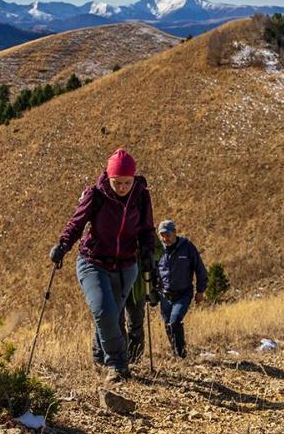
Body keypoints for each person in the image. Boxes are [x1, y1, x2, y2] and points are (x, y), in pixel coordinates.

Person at [50, 148, 156, 382]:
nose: (122, 188)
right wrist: (62, 245)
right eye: (117, 182)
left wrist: (148, 251)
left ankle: (99, 356)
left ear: (134, 178)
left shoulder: (140, 195)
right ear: (109, 177)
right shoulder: (96, 194)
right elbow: (77, 223)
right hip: (93, 261)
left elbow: (147, 228)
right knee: (104, 311)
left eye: (127, 182)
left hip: (127, 265)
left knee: (112, 314)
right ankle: (118, 365)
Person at [155, 220, 208, 358]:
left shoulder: (187, 247)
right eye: (162, 235)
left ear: (175, 233)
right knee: (168, 324)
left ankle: (181, 353)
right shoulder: (158, 250)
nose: (165, 238)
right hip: (165, 294)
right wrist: (152, 292)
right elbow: (152, 272)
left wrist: (200, 290)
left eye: (168, 235)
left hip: (183, 293)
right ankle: (175, 352)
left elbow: (200, 269)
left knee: (175, 320)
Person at [121, 235, 163, 363]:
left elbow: (160, 250)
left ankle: (135, 359)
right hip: (118, 282)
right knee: (117, 323)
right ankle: (120, 359)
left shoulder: (144, 228)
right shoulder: (115, 224)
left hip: (139, 285)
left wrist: (148, 253)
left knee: (135, 324)